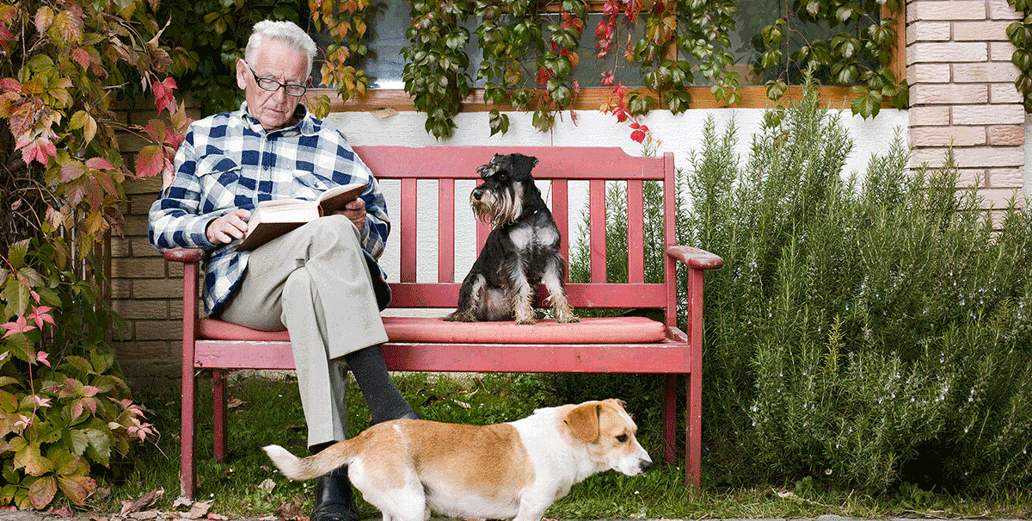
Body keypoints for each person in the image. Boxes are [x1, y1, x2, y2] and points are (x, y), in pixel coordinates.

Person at [148, 19, 416, 521]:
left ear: (305, 86)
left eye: (294, 85)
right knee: (330, 236)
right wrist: (209, 226)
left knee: (309, 282)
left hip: (310, 284)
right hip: (243, 287)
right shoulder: (205, 138)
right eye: (268, 80)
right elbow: (162, 221)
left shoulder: (329, 142)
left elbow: (376, 230)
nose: (279, 96)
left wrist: (360, 222)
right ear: (242, 74)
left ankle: (330, 482)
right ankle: (385, 403)